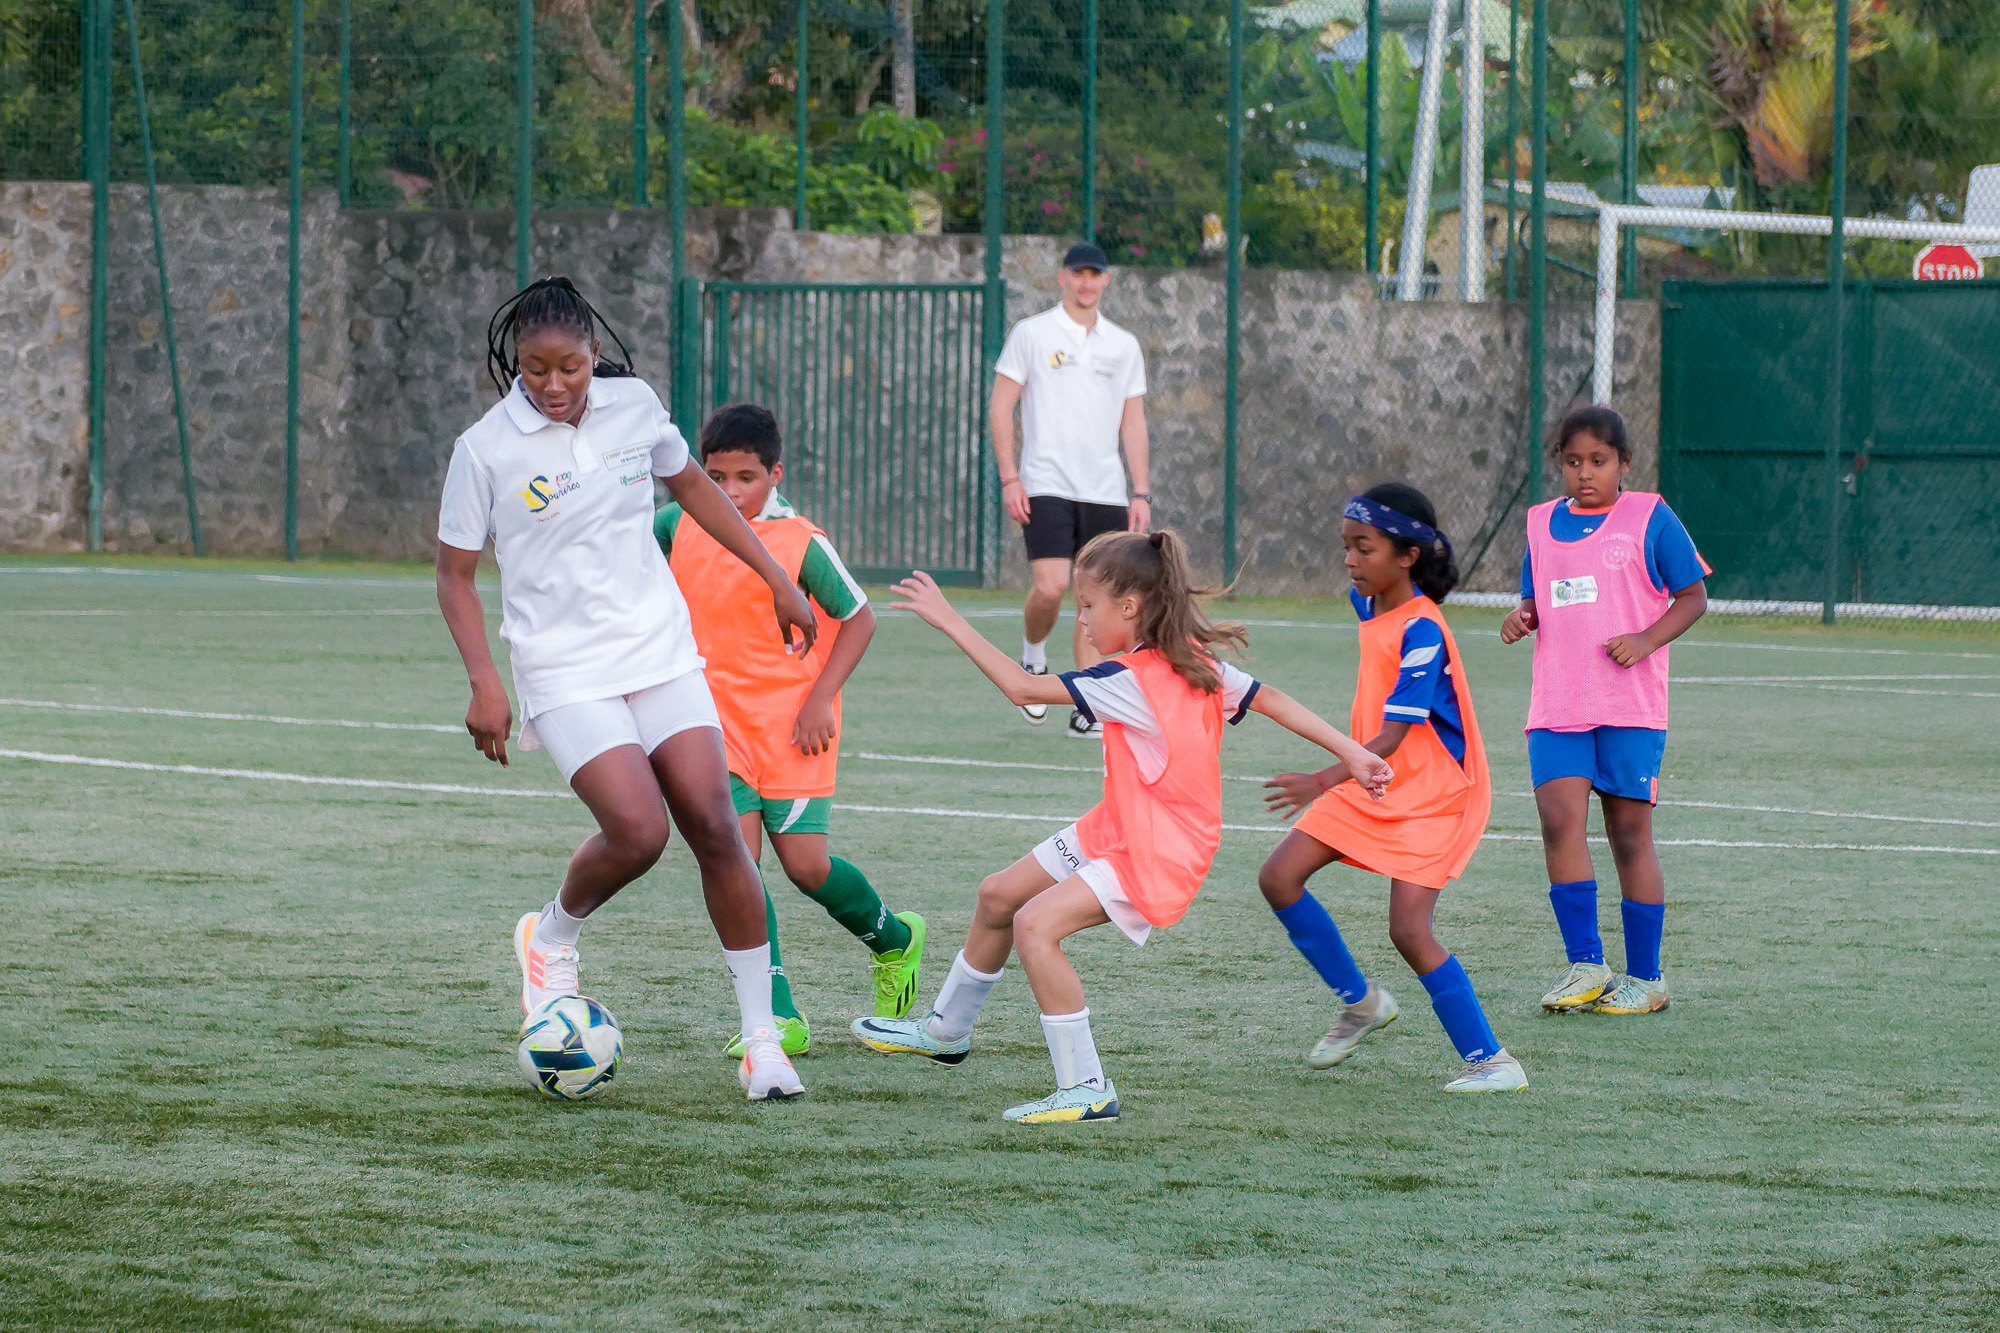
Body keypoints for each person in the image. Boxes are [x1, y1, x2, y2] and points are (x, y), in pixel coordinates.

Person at [851, 531, 1392, 1125]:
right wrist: (1354, 753)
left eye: (1087, 608)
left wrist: (950, 619)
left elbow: (1023, 688)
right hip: (1120, 825)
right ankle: (947, 1031)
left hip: (1158, 849)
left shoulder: (1134, 679)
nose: (1080, 621)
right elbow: (1271, 700)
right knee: (999, 895)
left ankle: (1086, 1088)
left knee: (1035, 925)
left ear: (1129, 609)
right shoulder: (1187, 659)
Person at [434, 276, 814, 1102]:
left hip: (658, 649)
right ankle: (552, 934)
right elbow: (455, 576)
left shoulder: (634, 406)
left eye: (569, 366)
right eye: (535, 370)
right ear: (516, 366)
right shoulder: (486, 448)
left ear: (593, 355)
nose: (555, 385)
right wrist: (483, 682)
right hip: (562, 667)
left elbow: (696, 490)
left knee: (716, 823)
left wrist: (774, 576)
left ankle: (762, 1043)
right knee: (639, 831)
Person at [654, 402, 926, 1060]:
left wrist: (820, 699)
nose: (729, 492)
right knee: (737, 865)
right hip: (715, 729)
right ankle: (777, 1013)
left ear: (776, 473)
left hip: (794, 728)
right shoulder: (674, 524)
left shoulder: (800, 540)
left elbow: (859, 620)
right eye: (714, 477)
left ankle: (893, 938)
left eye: (745, 478)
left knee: (806, 867)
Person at [1259, 484, 1527, 1093]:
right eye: (1347, 546)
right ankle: (1361, 1002)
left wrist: (1323, 778)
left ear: (1407, 555)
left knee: (1409, 931)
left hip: (1430, 795)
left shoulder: (1423, 629)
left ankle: (1492, 1060)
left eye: (1364, 547)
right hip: (1373, 781)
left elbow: (1397, 733)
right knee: (1278, 877)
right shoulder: (1372, 604)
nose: (1350, 560)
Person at [1501, 405, 1710, 1016]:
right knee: (1559, 824)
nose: (1585, 474)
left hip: (1630, 708)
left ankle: (1647, 979)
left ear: (1624, 463)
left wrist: (1646, 639)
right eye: (1573, 462)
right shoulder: (1540, 524)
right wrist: (1522, 616)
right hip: (1557, 706)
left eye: (1598, 461)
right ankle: (1586, 966)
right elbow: (1534, 599)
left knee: (1627, 835)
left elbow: (1693, 596)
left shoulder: (1650, 516)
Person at [992, 241, 1152, 738]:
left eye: (1095, 275)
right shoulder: (1032, 333)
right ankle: (1033, 656)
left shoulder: (1123, 344)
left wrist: (1140, 492)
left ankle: (1086, 701)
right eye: (1078, 274)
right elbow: (1002, 407)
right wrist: (1010, 477)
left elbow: (1134, 422)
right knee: (1052, 585)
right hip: (1044, 482)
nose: (1086, 283)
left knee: (1098, 595)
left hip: (1104, 489)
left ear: (1106, 280)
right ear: (1062, 277)